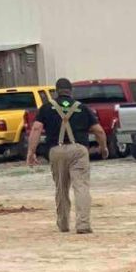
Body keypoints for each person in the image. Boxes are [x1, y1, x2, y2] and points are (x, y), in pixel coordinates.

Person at [24, 78, 106, 234]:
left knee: (61, 188)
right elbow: (99, 131)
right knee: (81, 186)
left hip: (56, 150)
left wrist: (31, 152)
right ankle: (83, 224)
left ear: (56, 91)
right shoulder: (82, 108)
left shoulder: (46, 108)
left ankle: (63, 224)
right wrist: (104, 148)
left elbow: (36, 129)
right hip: (79, 150)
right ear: (71, 91)